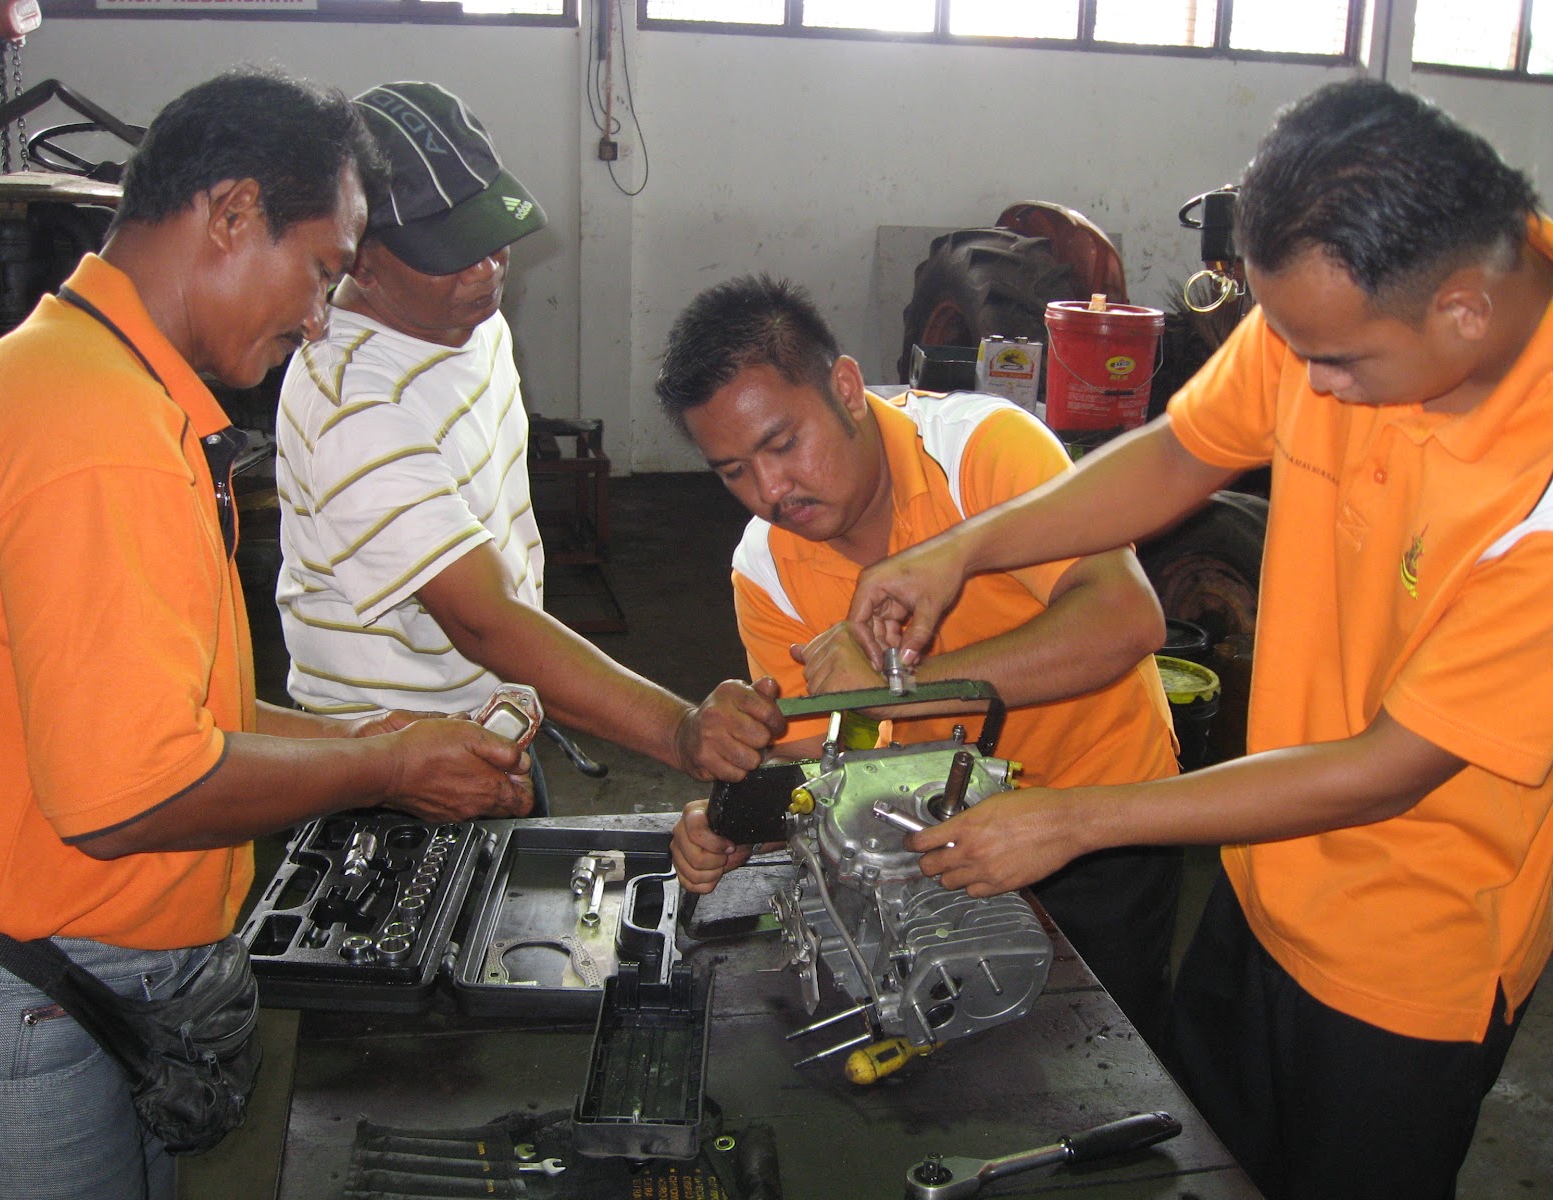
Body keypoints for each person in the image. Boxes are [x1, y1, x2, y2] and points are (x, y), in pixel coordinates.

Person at [847, 80, 1553, 1200]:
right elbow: (1184, 450)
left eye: (1337, 364)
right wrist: (965, 550)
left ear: (1464, 309)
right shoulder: (1339, 298)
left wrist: (1074, 820)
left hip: (1407, 964)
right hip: (1260, 878)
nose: (1307, 387)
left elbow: (1387, 768)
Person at [0, 68, 537, 1200]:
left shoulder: (102, 387)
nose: (320, 315)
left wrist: (380, 730)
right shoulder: (91, 432)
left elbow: (187, 712)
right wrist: (380, 762)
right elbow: (126, 793)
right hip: (50, 991)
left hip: (92, 981)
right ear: (230, 215)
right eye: (321, 270)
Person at [654, 275, 1185, 1037]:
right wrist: (738, 821)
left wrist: (897, 692)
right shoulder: (766, 570)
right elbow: (821, 766)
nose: (771, 489)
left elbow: (1124, 621)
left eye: (782, 443)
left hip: (1099, 822)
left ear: (843, 387)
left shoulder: (981, 452)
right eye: (734, 472)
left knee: (1112, 1054)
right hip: (940, 851)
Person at [275, 81, 782, 807]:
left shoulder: (468, 321)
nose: (485, 271)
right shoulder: (353, 402)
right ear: (357, 255)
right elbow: (481, 617)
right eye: (449, 252)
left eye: (490, 240)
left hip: (494, 717)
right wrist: (678, 730)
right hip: (395, 768)